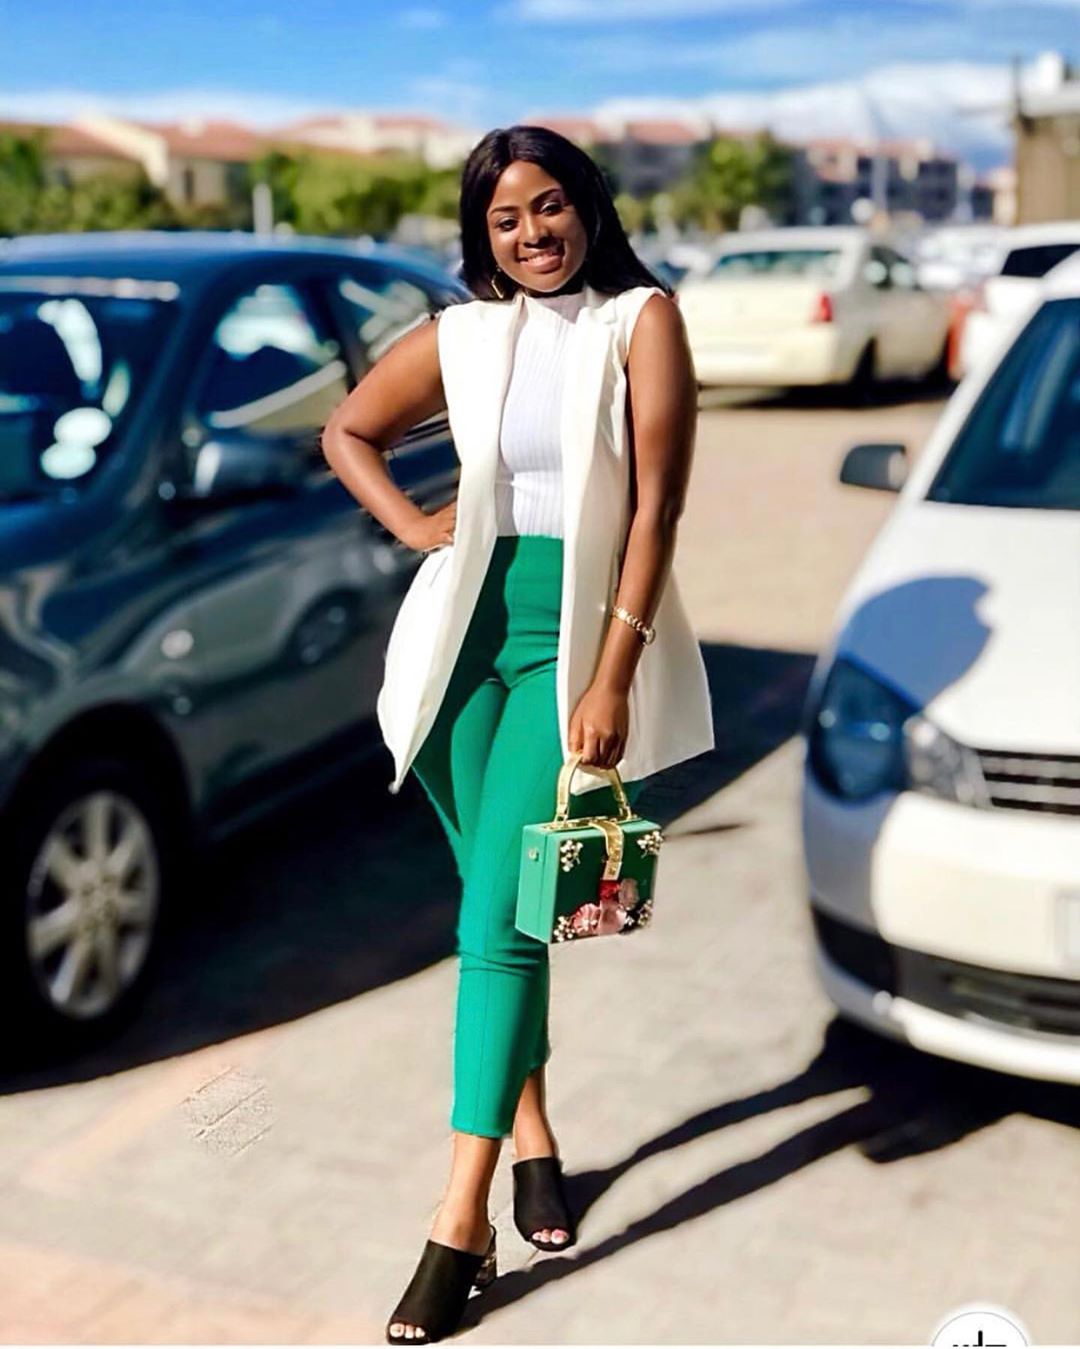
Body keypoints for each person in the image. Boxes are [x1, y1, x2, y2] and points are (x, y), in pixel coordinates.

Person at [321, 124, 713, 1344]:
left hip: (565, 650)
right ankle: (534, 1132)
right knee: (504, 908)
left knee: (492, 928)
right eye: (504, 218)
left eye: (548, 205)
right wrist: (414, 527)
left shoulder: (639, 321)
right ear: (481, 236)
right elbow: (346, 431)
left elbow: (657, 511)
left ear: (585, 205)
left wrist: (613, 672)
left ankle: (458, 1219)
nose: (531, 232)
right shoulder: (466, 334)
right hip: (460, 652)